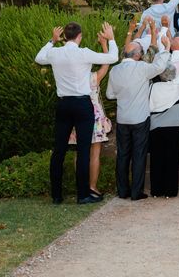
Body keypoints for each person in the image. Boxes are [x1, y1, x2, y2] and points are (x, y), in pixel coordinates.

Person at [35, 22, 118, 205]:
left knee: (59, 150)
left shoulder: (55, 52)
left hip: (64, 104)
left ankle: (56, 195)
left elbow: (39, 58)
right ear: (79, 36)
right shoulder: (84, 53)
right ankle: (83, 195)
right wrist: (111, 39)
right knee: (83, 150)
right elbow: (113, 57)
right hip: (82, 105)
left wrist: (51, 41)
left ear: (64, 36)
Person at [106, 22, 171, 201]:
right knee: (139, 155)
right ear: (136, 55)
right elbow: (159, 67)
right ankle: (136, 192)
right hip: (140, 118)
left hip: (123, 118)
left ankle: (122, 191)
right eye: (141, 53)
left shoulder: (115, 71)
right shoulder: (141, 68)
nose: (142, 55)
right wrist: (166, 49)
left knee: (123, 156)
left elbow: (110, 94)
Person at [67, 31, 113, 199]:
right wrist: (104, 45)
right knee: (94, 154)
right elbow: (106, 64)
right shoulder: (93, 77)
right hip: (94, 117)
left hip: (77, 114)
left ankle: (81, 186)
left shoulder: (73, 79)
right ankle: (92, 187)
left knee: (80, 153)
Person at [148, 37, 179, 197]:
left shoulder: (152, 87)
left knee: (157, 158)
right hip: (173, 126)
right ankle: (170, 190)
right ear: (172, 74)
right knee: (172, 158)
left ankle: (156, 190)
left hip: (156, 126)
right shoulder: (175, 85)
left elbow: (150, 107)